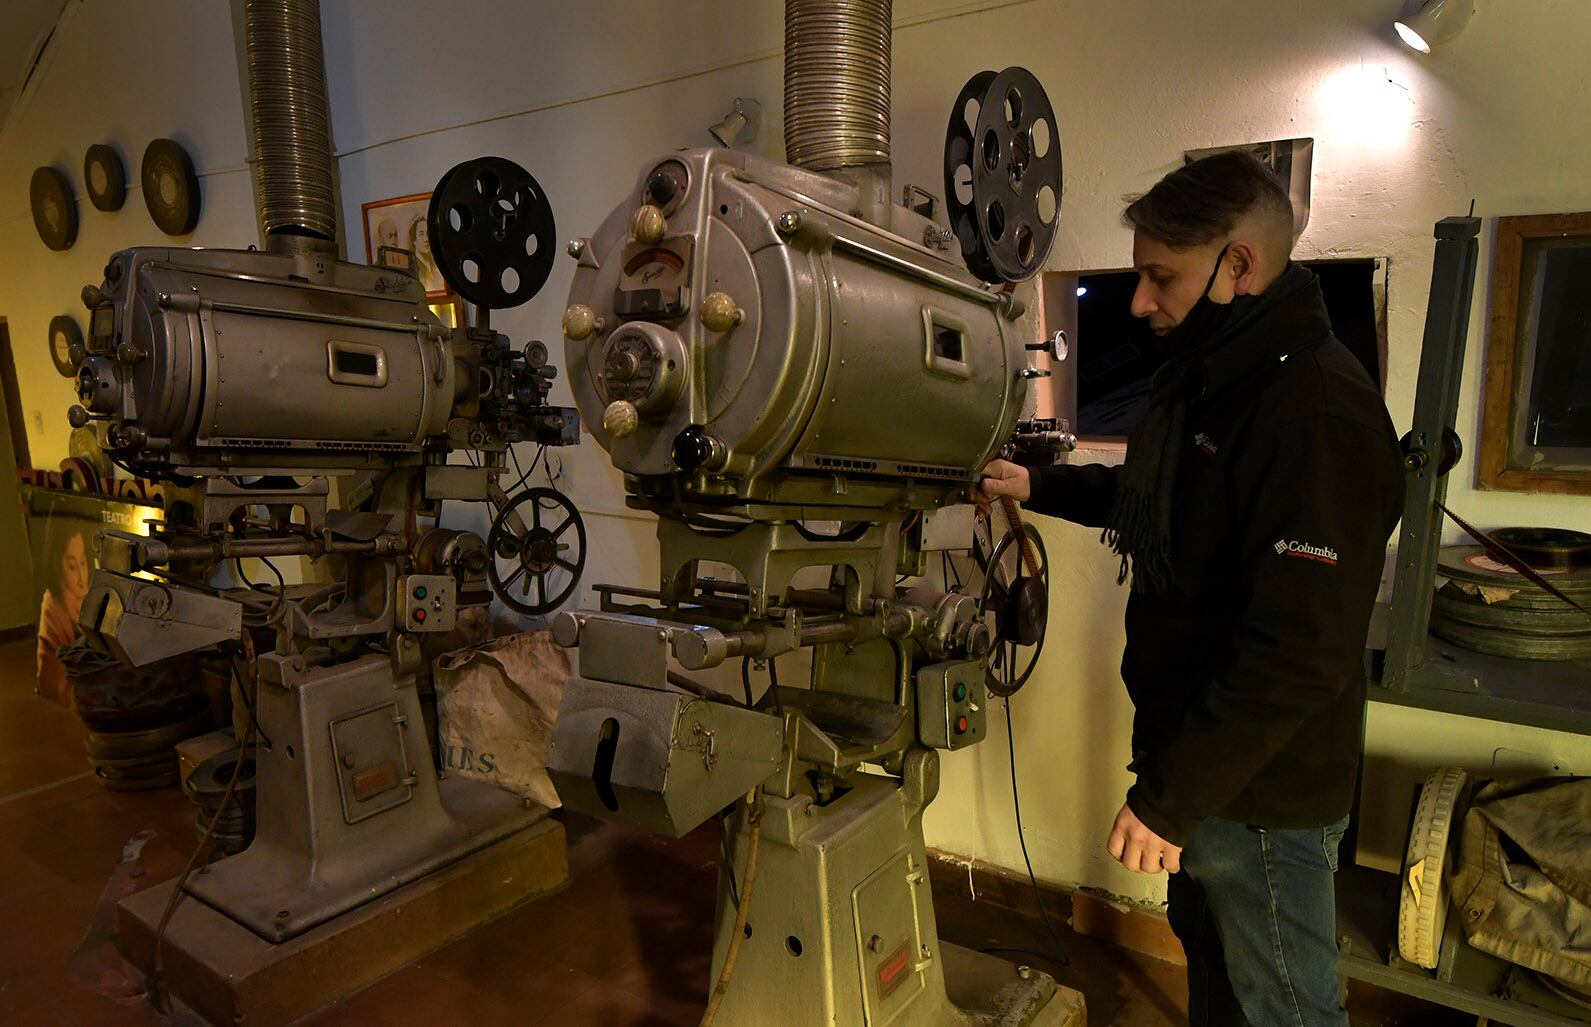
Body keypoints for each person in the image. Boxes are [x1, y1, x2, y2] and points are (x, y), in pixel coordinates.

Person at [977, 151, 1405, 1026]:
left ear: (1236, 266)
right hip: (1194, 755)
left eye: (1157, 276)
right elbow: (1163, 503)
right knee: (1215, 977)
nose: (1138, 303)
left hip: (1258, 792)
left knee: (1285, 1006)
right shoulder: (1223, 382)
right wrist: (1039, 484)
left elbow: (1296, 655)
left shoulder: (1316, 412)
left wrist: (1168, 803)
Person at [36, 524, 92, 705]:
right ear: (58, 567)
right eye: (72, 567)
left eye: (83, 563)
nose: (82, 578)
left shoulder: (90, 595)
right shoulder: (53, 606)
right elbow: (56, 682)